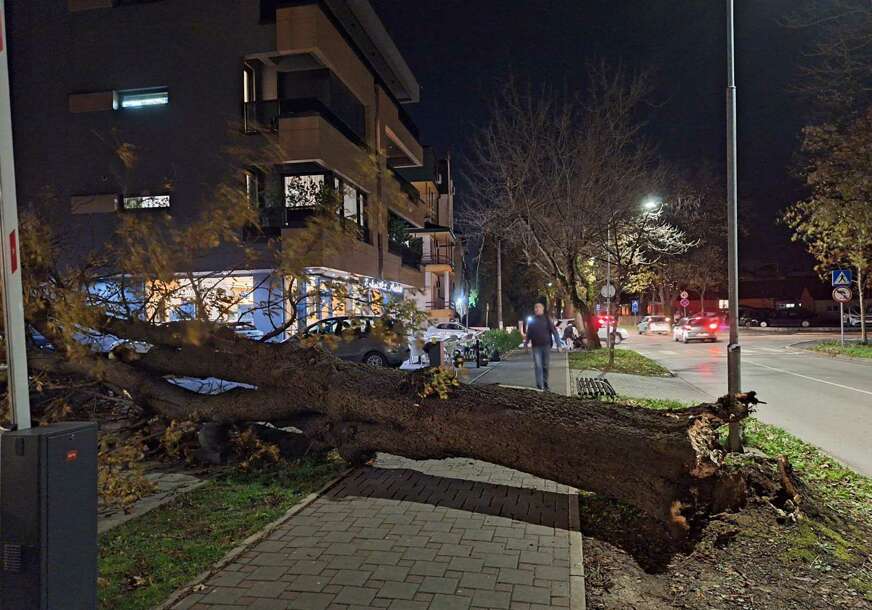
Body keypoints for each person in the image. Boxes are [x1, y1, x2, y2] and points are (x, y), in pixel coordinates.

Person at [524, 302, 561, 391]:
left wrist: (559, 344)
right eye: (535, 308)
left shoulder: (547, 319)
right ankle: (539, 384)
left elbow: (554, 332)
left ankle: (545, 383)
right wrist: (526, 344)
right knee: (538, 365)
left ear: (542, 309)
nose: (536, 309)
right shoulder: (532, 320)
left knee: (545, 366)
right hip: (536, 347)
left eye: (538, 308)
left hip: (546, 346)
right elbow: (529, 334)